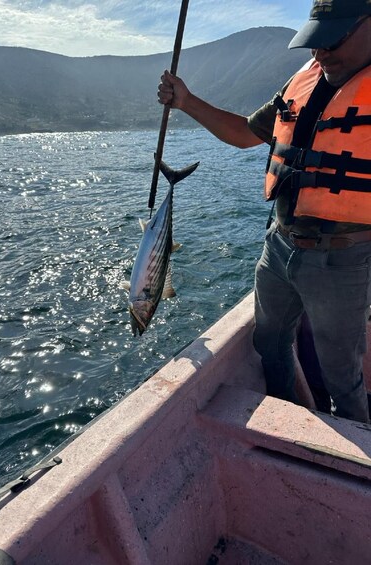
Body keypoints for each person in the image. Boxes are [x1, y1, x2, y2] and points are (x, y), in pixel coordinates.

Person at [157, 0, 371, 423]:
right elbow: (242, 134)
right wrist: (186, 101)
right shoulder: (302, 82)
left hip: (341, 258)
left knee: (341, 374)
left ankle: (354, 470)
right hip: (278, 246)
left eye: (335, 38)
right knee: (270, 342)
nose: (321, 52)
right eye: (315, 41)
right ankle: (285, 420)